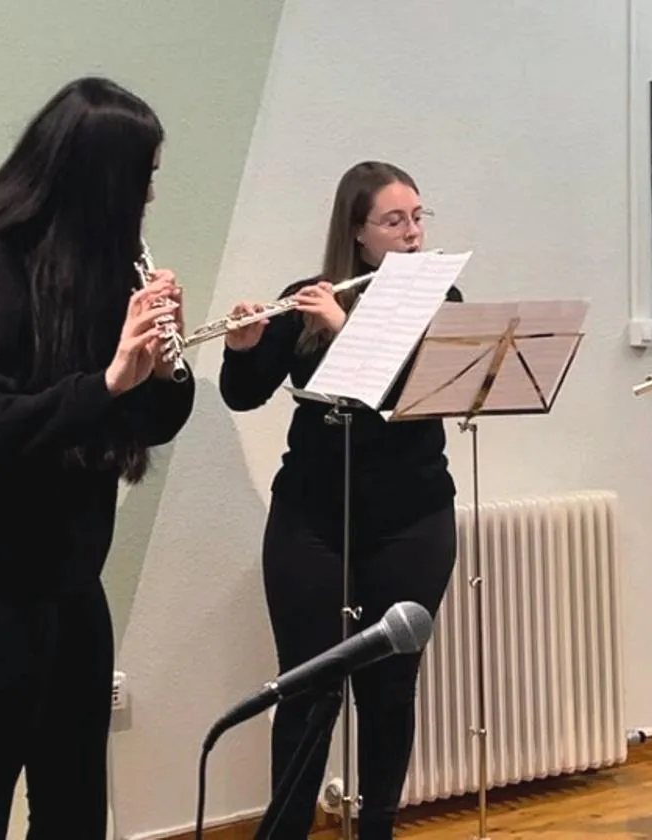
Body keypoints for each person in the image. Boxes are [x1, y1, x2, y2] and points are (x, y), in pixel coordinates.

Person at [0, 77, 195, 839]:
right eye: (143, 179)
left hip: (66, 573)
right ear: (98, 179)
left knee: (71, 803)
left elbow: (148, 421)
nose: (149, 199)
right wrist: (107, 380)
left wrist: (162, 368)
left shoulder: (93, 266)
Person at [219, 160, 460, 839]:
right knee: (308, 688)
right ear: (358, 234)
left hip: (412, 519)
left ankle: (376, 828)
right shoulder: (310, 296)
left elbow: (410, 395)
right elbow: (244, 393)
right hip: (311, 519)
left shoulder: (442, 299)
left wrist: (346, 330)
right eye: (394, 221)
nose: (412, 232)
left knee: (388, 690)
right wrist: (243, 349)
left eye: (418, 217)